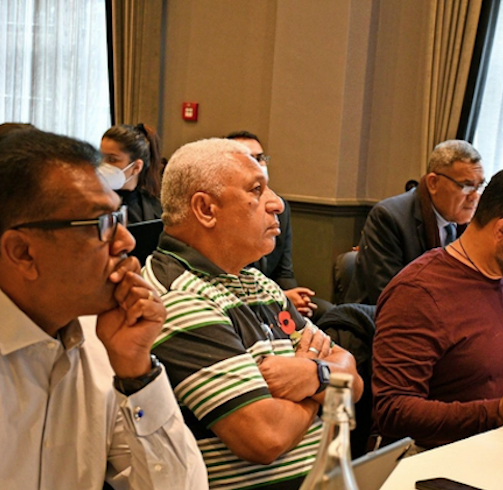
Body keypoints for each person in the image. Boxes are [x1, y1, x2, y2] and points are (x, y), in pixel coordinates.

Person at [144, 138, 363, 489]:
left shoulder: (256, 281)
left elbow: (353, 380)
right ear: (205, 209)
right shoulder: (179, 297)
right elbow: (266, 438)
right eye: (257, 189)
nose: (277, 204)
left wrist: (309, 374)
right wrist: (321, 385)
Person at [0, 129, 208, 489]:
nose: (127, 240)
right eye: (102, 223)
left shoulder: (100, 347)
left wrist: (137, 373)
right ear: (23, 252)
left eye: (119, 218)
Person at [372, 161, 503, 450]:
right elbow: (393, 411)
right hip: (440, 457)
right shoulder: (419, 292)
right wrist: (497, 412)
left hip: (502, 442)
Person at [346, 140, 485, 305]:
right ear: (433, 183)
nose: (475, 196)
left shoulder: (467, 223)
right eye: (467, 186)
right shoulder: (388, 217)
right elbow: (390, 295)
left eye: (480, 186)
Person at [224, 130, 333, 321]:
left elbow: (284, 272)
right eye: (248, 158)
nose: (257, 165)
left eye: (261, 158)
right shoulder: (226, 211)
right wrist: (281, 299)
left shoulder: (279, 207)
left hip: (273, 294)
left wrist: (295, 298)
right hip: (241, 301)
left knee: (333, 314)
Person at [100, 123, 164, 223]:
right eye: (100, 157)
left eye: (112, 159)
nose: (103, 164)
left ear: (136, 167)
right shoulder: (90, 204)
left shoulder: (157, 211)